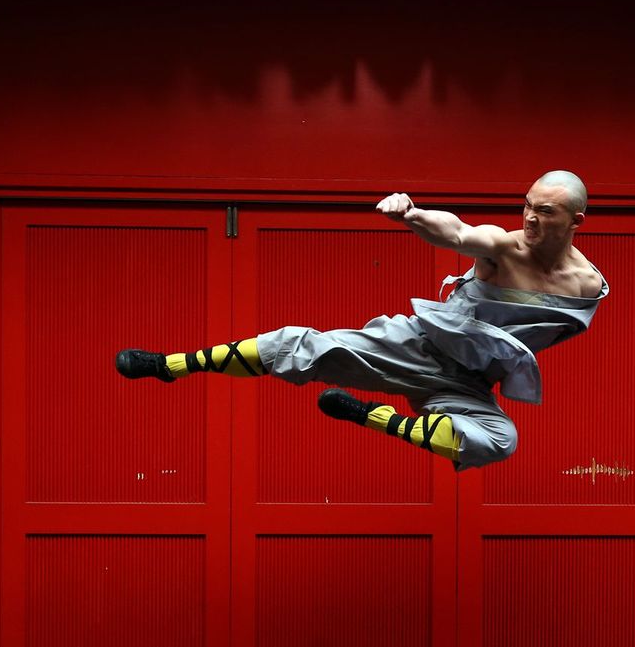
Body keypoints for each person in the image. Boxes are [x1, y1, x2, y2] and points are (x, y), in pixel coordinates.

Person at [115, 170, 608, 470]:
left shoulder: (586, 288)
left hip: (468, 382)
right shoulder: (504, 247)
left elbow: (537, 334)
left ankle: (372, 416)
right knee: (297, 345)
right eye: (527, 206)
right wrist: (412, 215)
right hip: (419, 346)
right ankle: (170, 365)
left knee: (500, 441)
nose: (529, 218)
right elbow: (458, 233)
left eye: (544, 211)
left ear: (575, 221)